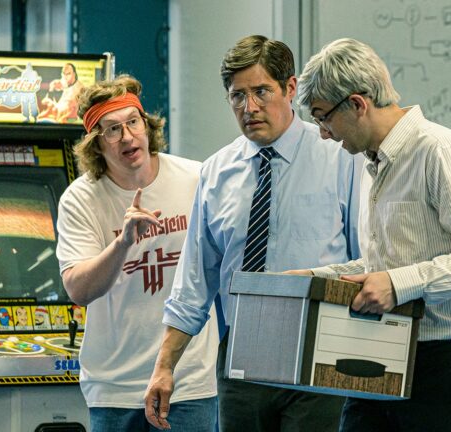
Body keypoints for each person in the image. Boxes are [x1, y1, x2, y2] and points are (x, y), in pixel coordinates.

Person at [144, 35, 363, 432]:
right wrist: (164, 367)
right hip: (243, 353)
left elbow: (366, 259)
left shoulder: (341, 157)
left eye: (261, 91)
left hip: (320, 350)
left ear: (291, 89)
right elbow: (194, 282)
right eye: (237, 96)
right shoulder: (216, 172)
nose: (250, 108)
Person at [291, 38, 451, 432]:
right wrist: (314, 280)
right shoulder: (371, 164)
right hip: (381, 352)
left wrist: (397, 284)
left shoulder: (439, 151)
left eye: (323, 117)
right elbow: (384, 265)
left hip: (445, 361)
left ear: (357, 104)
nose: (323, 133)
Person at [55, 74, 219, 432]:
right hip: (115, 386)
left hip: (188, 382)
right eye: (112, 130)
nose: (127, 136)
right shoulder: (81, 199)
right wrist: (123, 242)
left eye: (133, 122)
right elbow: (78, 290)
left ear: (147, 126)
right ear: (96, 145)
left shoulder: (196, 179)